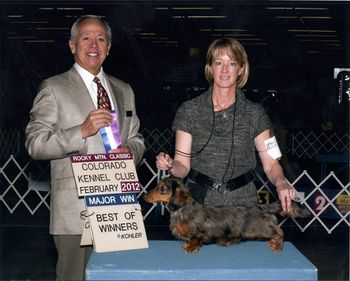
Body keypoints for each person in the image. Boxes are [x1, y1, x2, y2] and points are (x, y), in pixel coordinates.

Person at [25, 15, 145, 280]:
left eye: (101, 39)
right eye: (86, 37)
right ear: (72, 45)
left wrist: (131, 153)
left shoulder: (124, 90)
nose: (94, 44)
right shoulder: (53, 87)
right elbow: (35, 144)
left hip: (117, 206)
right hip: (75, 209)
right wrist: (81, 131)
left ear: (109, 47)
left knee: (117, 276)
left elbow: (136, 138)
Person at [156, 37, 295, 212]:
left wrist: (281, 182)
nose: (224, 70)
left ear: (241, 69)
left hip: (243, 207)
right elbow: (182, 166)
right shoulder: (189, 111)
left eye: (232, 63)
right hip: (197, 206)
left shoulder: (255, 114)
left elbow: (271, 164)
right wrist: (170, 165)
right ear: (210, 69)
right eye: (219, 63)